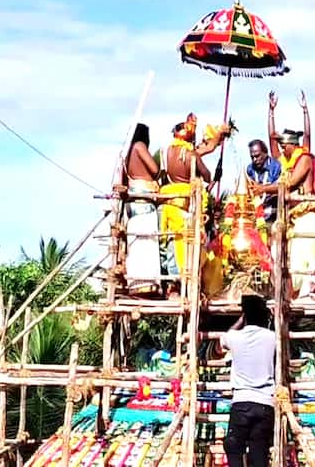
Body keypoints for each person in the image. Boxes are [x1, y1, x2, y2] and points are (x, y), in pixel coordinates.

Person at [252, 90, 315, 294]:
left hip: (309, 218)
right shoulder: (284, 160)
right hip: (293, 219)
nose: (281, 149)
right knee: (286, 262)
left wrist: (305, 111)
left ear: (292, 145)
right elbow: (271, 140)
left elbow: (290, 184)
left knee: (303, 265)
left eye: (284, 145)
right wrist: (271, 111)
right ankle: (287, 297)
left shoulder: (305, 158)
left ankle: (302, 295)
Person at [159, 113, 228, 277]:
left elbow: (209, 147)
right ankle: (183, 280)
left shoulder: (167, 151)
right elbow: (206, 175)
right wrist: (210, 179)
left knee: (171, 244)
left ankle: (173, 282)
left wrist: (219, 135)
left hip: (168, 203)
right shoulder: (191, 155)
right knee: (187, 246)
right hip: (185, 206)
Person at [222, 295, 276, 467]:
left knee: (234, 447)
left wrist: (240, 321)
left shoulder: (235, 337)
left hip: (242, 402)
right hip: (265, 403)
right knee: (259, 451)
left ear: (245, 316)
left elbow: (221, 341)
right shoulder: (271, 337)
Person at [123, 123, 162, 296]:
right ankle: (146, 283)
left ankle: (136, 283)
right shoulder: (139, 147)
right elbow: (154, 169)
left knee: (136, 241)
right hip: (143, 197)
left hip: (132, 198)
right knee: (146, 239)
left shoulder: (126, 152)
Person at [247, 139, 281, 224]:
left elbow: (280, 187)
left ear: (265, 153)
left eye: (257, 156)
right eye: (252, 157)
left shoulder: (276, 167)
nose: (254, 159)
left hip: (273, 215)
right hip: (255, 215)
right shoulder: (250, 169)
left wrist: (263, 189)